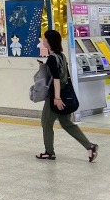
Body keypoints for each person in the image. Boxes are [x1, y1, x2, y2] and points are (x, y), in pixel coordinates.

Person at [36, 29, 98, 163]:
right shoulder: (61, 56)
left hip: (56, 96)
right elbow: (63, 76)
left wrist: (57, 98)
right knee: (66, 123)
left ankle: (49, 152)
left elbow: (57, 79)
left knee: (46, 123)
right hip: (65, 93)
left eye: (45, 39)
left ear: (49, 41)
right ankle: (90, 146)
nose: (43, 41)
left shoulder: (53, 58)